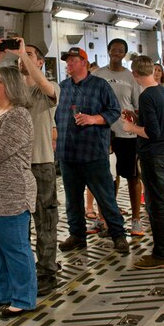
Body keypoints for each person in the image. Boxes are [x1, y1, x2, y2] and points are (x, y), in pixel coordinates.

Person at [0, 37, 60, 296]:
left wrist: (25, 54)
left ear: (39, 61)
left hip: (41, 162)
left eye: (29, 55)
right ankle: (20, 277)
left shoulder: (44, 89)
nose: (21, 58)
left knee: (45, 222)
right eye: (18, 56)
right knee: (17, 233)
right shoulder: (7, 98)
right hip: (14, 171)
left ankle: (47, 270)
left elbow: (45, 85)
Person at [54, 47, 128, 255]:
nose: (69, 64)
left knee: (105, 196)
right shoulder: (63, 88)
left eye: (73, 60)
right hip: (68, 154)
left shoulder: (100, 86)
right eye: (67, 61)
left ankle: (118, 235)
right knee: (73, 198)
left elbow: (114, 111)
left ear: (84, 63)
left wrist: (93, 119)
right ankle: (77, 235)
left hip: (93, 153)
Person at [0, 65, 37, 316]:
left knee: (15, 247)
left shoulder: (18, 116)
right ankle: (3, 291)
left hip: (12, 192)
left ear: (12, 86)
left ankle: (24, 298)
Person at [122, 56, 164, 269]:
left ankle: (163, 252)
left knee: (156, 205)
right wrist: (137, 117)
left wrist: (131, 128)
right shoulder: (162, 91)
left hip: (154, 153)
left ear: (134, 74)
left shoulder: (146, 96)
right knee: (157, 202)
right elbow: (160, 122)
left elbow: (152, 132)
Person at [94, 38, 143, 237]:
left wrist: (138, 124)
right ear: (108, 51)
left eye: (121, 51)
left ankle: (136, 220)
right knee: (107, 179)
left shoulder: (131, 77)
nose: (117, 53)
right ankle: (108, 219)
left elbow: (137, 107)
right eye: (113, 50)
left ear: (124, 54)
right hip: (104, 134)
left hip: (127, 134)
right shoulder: (98, 75)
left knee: (132, 176)